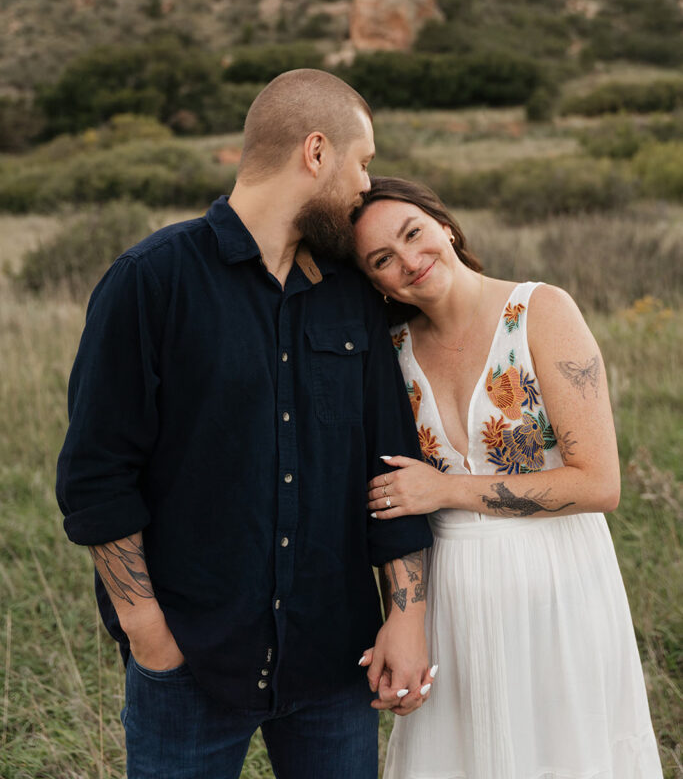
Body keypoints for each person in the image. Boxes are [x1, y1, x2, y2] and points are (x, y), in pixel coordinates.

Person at [56, 71, 435, 779]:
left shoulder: (349, 296)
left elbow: (389, 466)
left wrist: (405, 615)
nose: (366, 183)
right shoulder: (151, 282)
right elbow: (96, 476)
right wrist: (150, 638)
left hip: (333, 664)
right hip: (190, 667)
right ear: (315, 153)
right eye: (362, 161)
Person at [352, 176, 663, 779]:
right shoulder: (387, 350)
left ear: (445, 226)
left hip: (558, 588)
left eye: (414, 234)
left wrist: (446, 490)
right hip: (449, 599)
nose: (410, 262)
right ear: (372, 282)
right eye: (382, 260)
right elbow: (391, 497)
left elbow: (599, 483)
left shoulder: (541, 311)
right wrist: (402, 613)